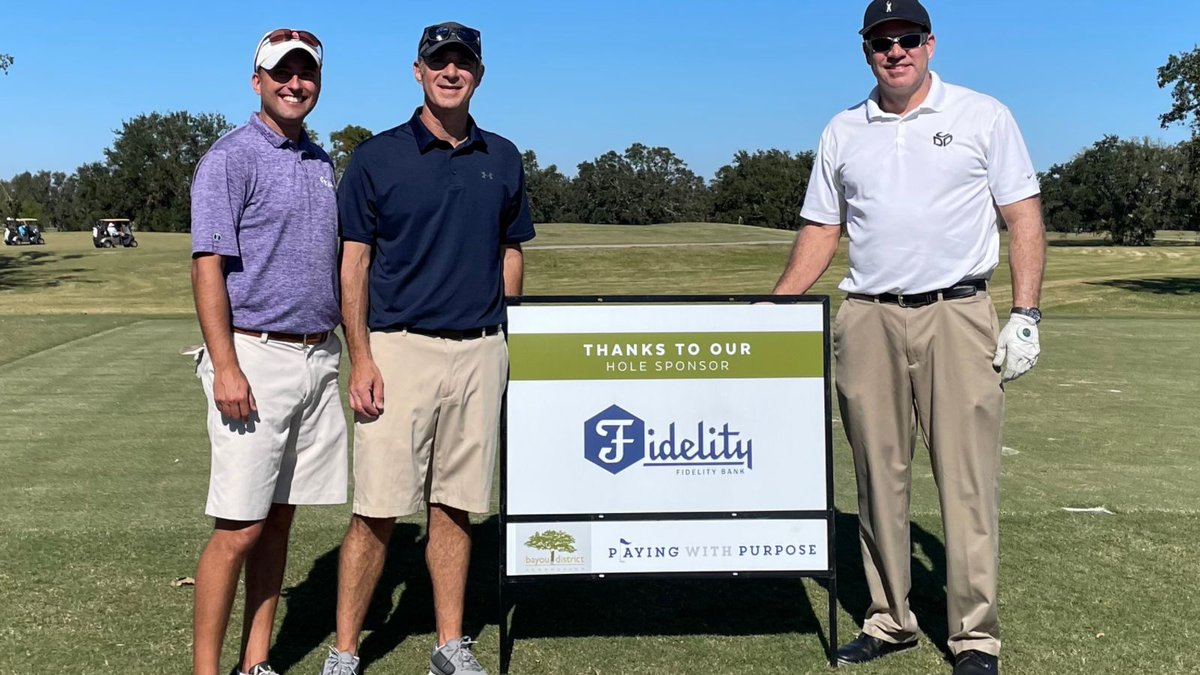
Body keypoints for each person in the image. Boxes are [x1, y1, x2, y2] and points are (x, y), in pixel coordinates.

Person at [772, 1, 1045, 673]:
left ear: (930, 43)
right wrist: (776, 303)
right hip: (867, 314)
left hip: (958, 312)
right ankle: (890, 618)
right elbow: (821, 229)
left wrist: (1027, 312)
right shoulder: (843, 129)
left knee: (966, 480)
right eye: (881, 42)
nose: (896, 51)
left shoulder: (984, 115)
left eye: (908, 39)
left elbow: (1024, 218)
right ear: (866, 50)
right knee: (877, 476)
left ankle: (976, 636)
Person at [320, 21, 534, 675]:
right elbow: (353, 264)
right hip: (397, 350)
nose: (450, 72)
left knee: (456, 505)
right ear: (417, 71)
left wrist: (505, 337)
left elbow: (510, 250)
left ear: (479, 75)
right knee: (378, 509)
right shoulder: (377, 157)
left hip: (477, 351)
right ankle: (345, 649)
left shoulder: (504, 155)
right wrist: (361, 356)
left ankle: (449, 642)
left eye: (462, 62)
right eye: (438, 61)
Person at [189, 28, 346, 675]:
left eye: (305, 72)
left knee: (279, 523)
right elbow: (207, 266)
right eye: (281, 71)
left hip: (317, 359)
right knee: (240, 529)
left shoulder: (323, 162)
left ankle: (256, 663)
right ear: (257, 80)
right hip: (252, 358)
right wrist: (225, 364)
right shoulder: (231, 157)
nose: (294, 82)